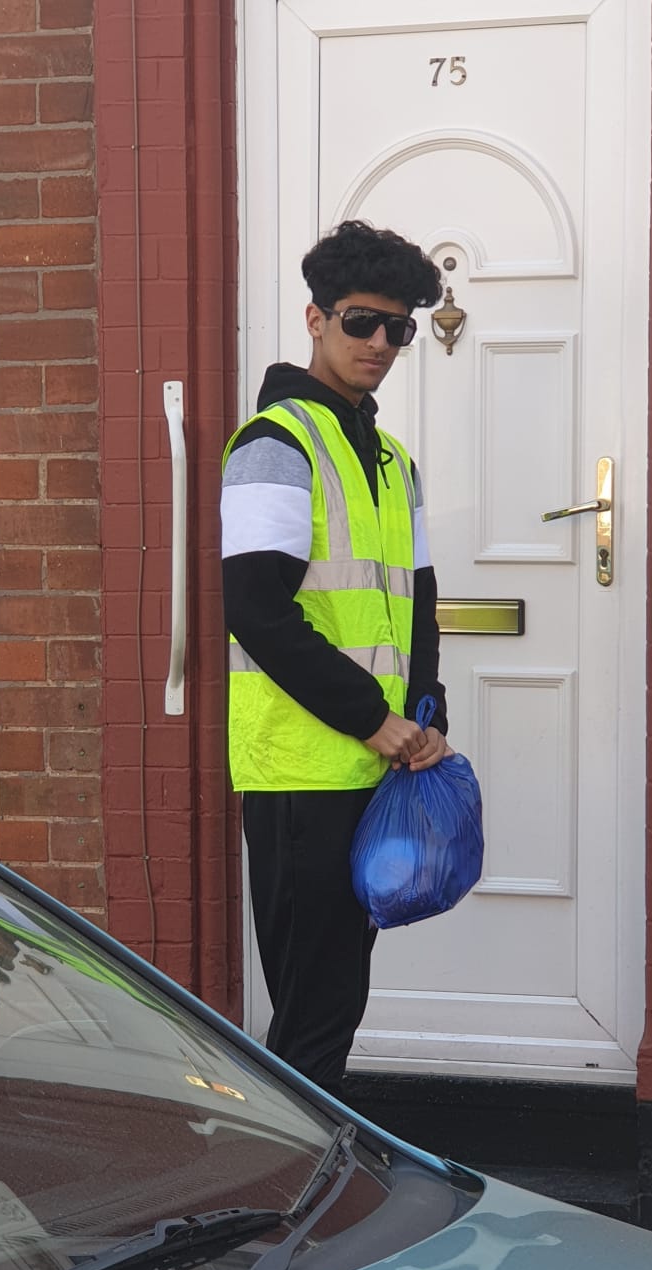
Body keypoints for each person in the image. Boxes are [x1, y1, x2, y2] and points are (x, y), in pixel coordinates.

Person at [221, 220, 450, 1100]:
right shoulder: (275, 446)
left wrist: (424, 714)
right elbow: (257, 614)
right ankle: (293, 1184)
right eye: (362, 322)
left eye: (400, 329)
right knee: (314, 999)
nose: (382, 344)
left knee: (335, 993)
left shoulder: (392, 460)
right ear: (314, 318)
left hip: (377, 758)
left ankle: (301, 1172)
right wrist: (375, 719)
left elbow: (417, 600)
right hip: (303, 767)